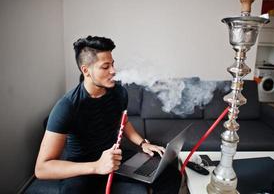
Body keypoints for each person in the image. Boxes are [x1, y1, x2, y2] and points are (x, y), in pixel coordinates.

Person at [34, 36, 182, 194]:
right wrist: (97, 166)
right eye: (105, 67)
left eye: (112, 64)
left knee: (171, 175)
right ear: (86, 71)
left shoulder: (119, 92)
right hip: (83, 166)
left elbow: (122, 122)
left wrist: (142, 144)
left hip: (116, 157)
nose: (113, 71)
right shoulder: (67, 106)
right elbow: (42, 169)